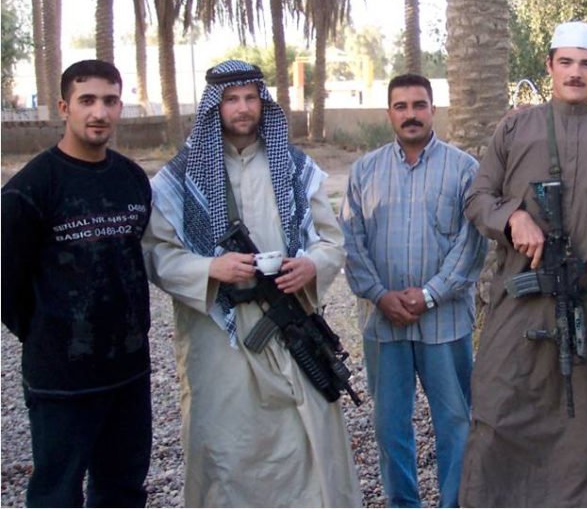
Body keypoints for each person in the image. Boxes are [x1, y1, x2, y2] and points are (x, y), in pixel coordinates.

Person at [459, 21, 587, 507]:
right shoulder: (515, 127)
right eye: (567, 62)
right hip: (522, 307)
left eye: (586, 64)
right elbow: (478, 197)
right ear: (550, 65)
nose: (576, 73)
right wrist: (512, 217)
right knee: (500, 411)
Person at [143, 60, 359, 507]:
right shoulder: (180, 180)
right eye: (231, 99)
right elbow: (157, 253)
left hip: (289, 322)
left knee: (306, 437)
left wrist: (311, 267)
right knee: (226, 444)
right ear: (214, 106)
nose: (243, 108)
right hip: (217, 333)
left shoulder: (297, 170)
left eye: (250, 98)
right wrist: (209, 271)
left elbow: (331, 241)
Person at [2, 60, 152, 507]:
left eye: (109, 101)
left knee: (123, 488)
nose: (99, 113)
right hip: (62, 381)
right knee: (57, 492)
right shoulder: (31, 189)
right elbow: (7, 286)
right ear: (64, 107)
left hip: (128, 372)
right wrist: (51, 335)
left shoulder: (132, 179)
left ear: (120, 107)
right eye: (87, 101)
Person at [342, 74, 486, 508]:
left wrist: (429, 295)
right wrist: (380, 295)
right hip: (383, 322)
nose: (410, 115)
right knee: (389, 427)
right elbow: (351, 240)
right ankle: (403, 502)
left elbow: (471, 245)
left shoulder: (463, 169)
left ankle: (453, 503)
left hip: (444, 322)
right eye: (401, 106)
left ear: (433, 110)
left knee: (455, 423)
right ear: (389, 113)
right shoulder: (365, 170)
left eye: (418, 105)